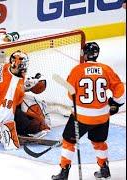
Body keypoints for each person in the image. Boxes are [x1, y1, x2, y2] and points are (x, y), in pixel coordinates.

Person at [52, 42, 125, 180]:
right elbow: (121, 92)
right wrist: (115, 104)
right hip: (103, 116)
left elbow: (70, 95)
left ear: (85, 54)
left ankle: (63, 172)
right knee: (99, 142)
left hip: (82, 117)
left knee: (68, 141)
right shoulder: (106, 69)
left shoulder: (77, 70)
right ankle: (104, 169)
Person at [0, 50, 50, 150]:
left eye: (25, 65)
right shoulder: (11, 89)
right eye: (22, 66)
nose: (25, 68)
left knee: (35, 106)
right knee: (32, 127)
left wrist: (33, 82)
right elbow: (5, 115)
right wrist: (11, 141)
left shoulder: (6, 66)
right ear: (16, 65)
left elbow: (16, 80)